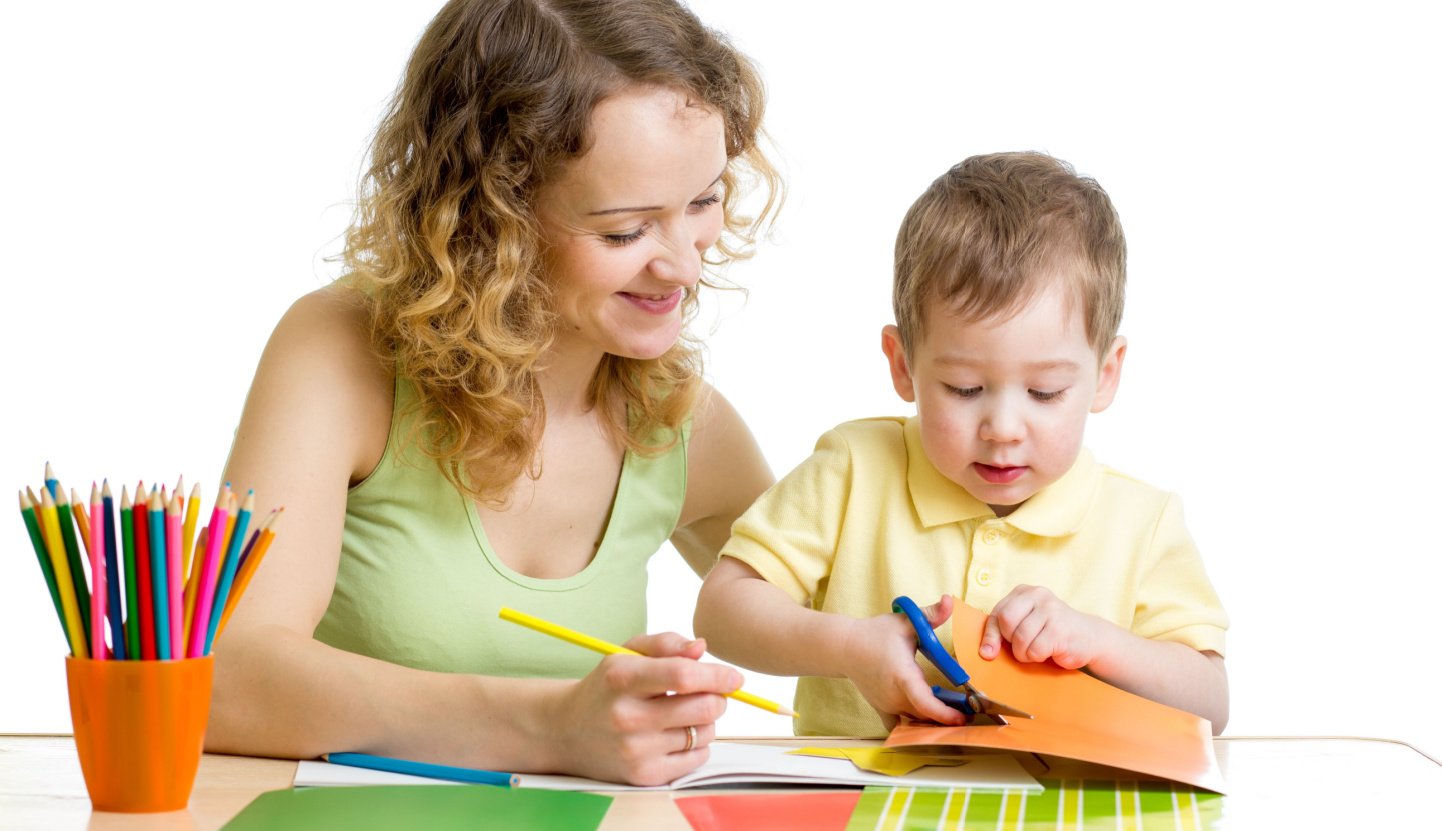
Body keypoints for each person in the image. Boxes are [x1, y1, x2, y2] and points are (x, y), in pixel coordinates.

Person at [207, 0, 781, 786]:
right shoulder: (341, 352)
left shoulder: (679, 419)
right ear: (491, 217)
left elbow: (862, 622)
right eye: (624, 231)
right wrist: (549, 727)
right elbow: (225, 680)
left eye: (704, 201)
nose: (683, 265)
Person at [694, 152, 1229, 738]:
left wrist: (1098, 642)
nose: (1003, 427)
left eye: (1045, 392)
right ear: (903, 366)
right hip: (856, 805)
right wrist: (848, 644)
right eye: (965, 388)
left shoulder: (1142, 523)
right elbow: (721, 610)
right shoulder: (853, 471)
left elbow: (1210, 706)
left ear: (1104, 375)